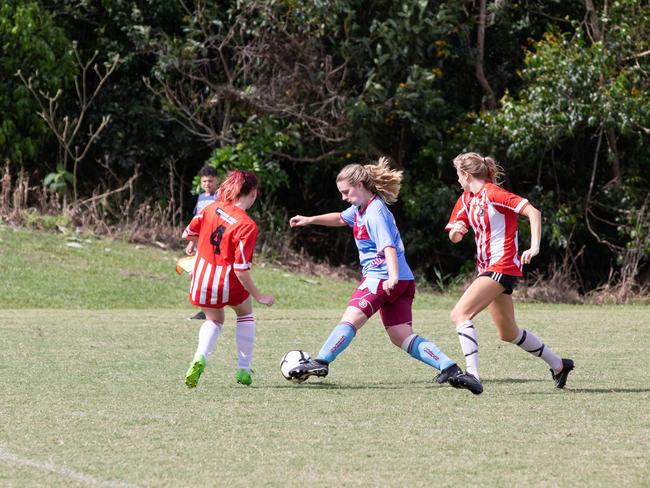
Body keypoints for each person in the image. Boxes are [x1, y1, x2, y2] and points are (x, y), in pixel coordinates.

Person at [289, 157, 481, 394]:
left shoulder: (375, 212)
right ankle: (450, 368)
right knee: (401, 335)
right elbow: (340, 217)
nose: (344, 197)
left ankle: (321, 362)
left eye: (347, 192)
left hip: (382, 278)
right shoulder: (361, 208)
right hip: (403, 281)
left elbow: (387, 246)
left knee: (351, 319)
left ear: (360, 185)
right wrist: (310, 220)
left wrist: (390, 276)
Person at [444, 152, 574, 393]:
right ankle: (559, 365)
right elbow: (454, 235)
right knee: (508, 332)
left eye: (458, 175)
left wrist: (534, 246)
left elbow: (533, 212)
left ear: (467, 174)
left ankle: (472, 375)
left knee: (460, 314)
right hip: (489, 268)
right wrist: (458, 231)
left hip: (501, 265)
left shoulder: (493, 193)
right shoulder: (466, 199)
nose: (458, 180)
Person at [182, 170, 274, 388]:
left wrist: (202, 243)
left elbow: (188, 234)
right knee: (245, 314)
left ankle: (200, 357)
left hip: (202, 277)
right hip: (226, 281)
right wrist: (259, 295)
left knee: (213, 320)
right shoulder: (246, 225)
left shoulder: (211, 207)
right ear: (252, 193)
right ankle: (244, 368)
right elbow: (241, 270)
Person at [186, 166, 219, 320]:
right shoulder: (201, 198)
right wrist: (192, 242)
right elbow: (196, 222)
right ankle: (204, 309)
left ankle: (212, 308)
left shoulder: (220, 197)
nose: (207, 184)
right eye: (205, 181)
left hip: (216, 243)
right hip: (202, 242)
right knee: (197, 274)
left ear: (217, 181)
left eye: (211, 181)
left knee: (211, 274)